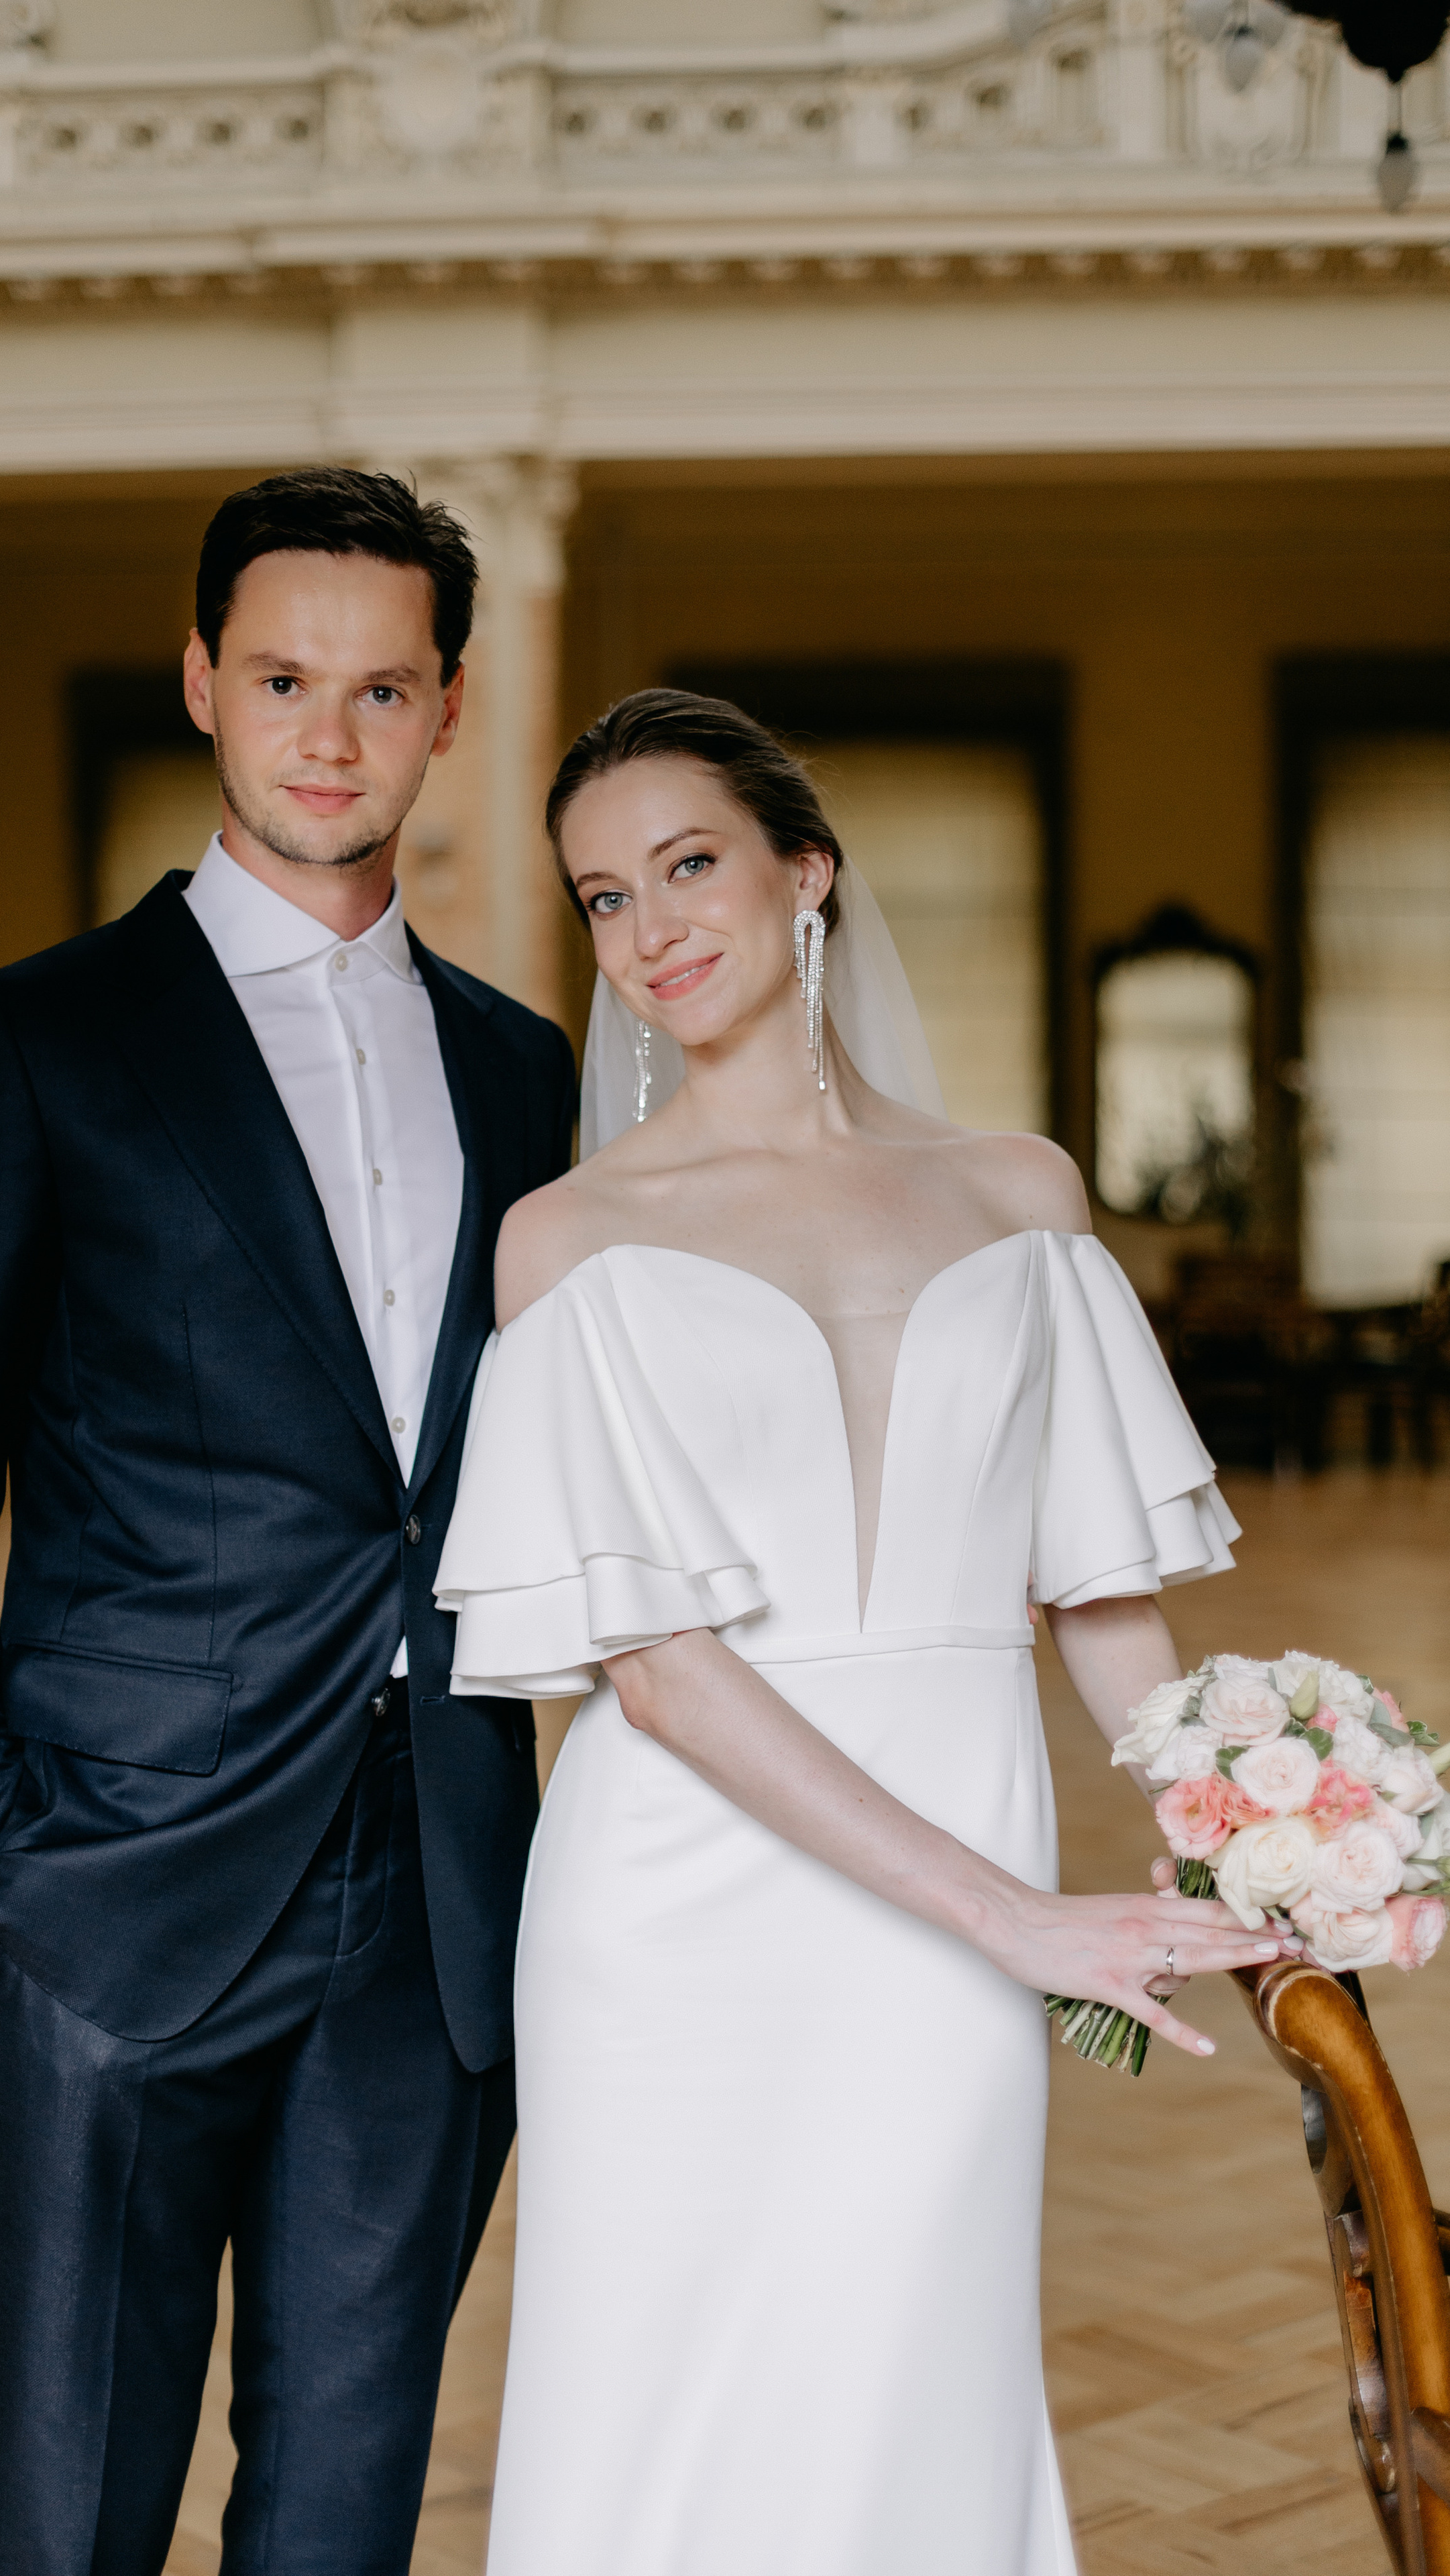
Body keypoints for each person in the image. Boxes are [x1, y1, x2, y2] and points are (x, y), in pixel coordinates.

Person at [433, 689, 1292, 2575]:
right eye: (600, 897)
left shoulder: (1019, 1193)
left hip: (969, 1890)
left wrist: (1251, 1825)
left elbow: (1104, 1600)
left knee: (919, 2363)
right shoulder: (565, 1242)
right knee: (669, 2399)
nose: (649, 930)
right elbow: (653, 1673)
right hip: (678, 1914)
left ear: (804, 871)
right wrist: (1018, 1919)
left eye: (688, 865)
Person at [0, 468, 577, 2575]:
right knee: (70, 2516)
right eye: (280, 679)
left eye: (378, 689)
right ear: (203, 685)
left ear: (445, 712)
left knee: (341, 2516)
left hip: (432, 1903)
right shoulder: (31, 1043)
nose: (326, 736)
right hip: (112, 1883)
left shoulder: (526, 1076)